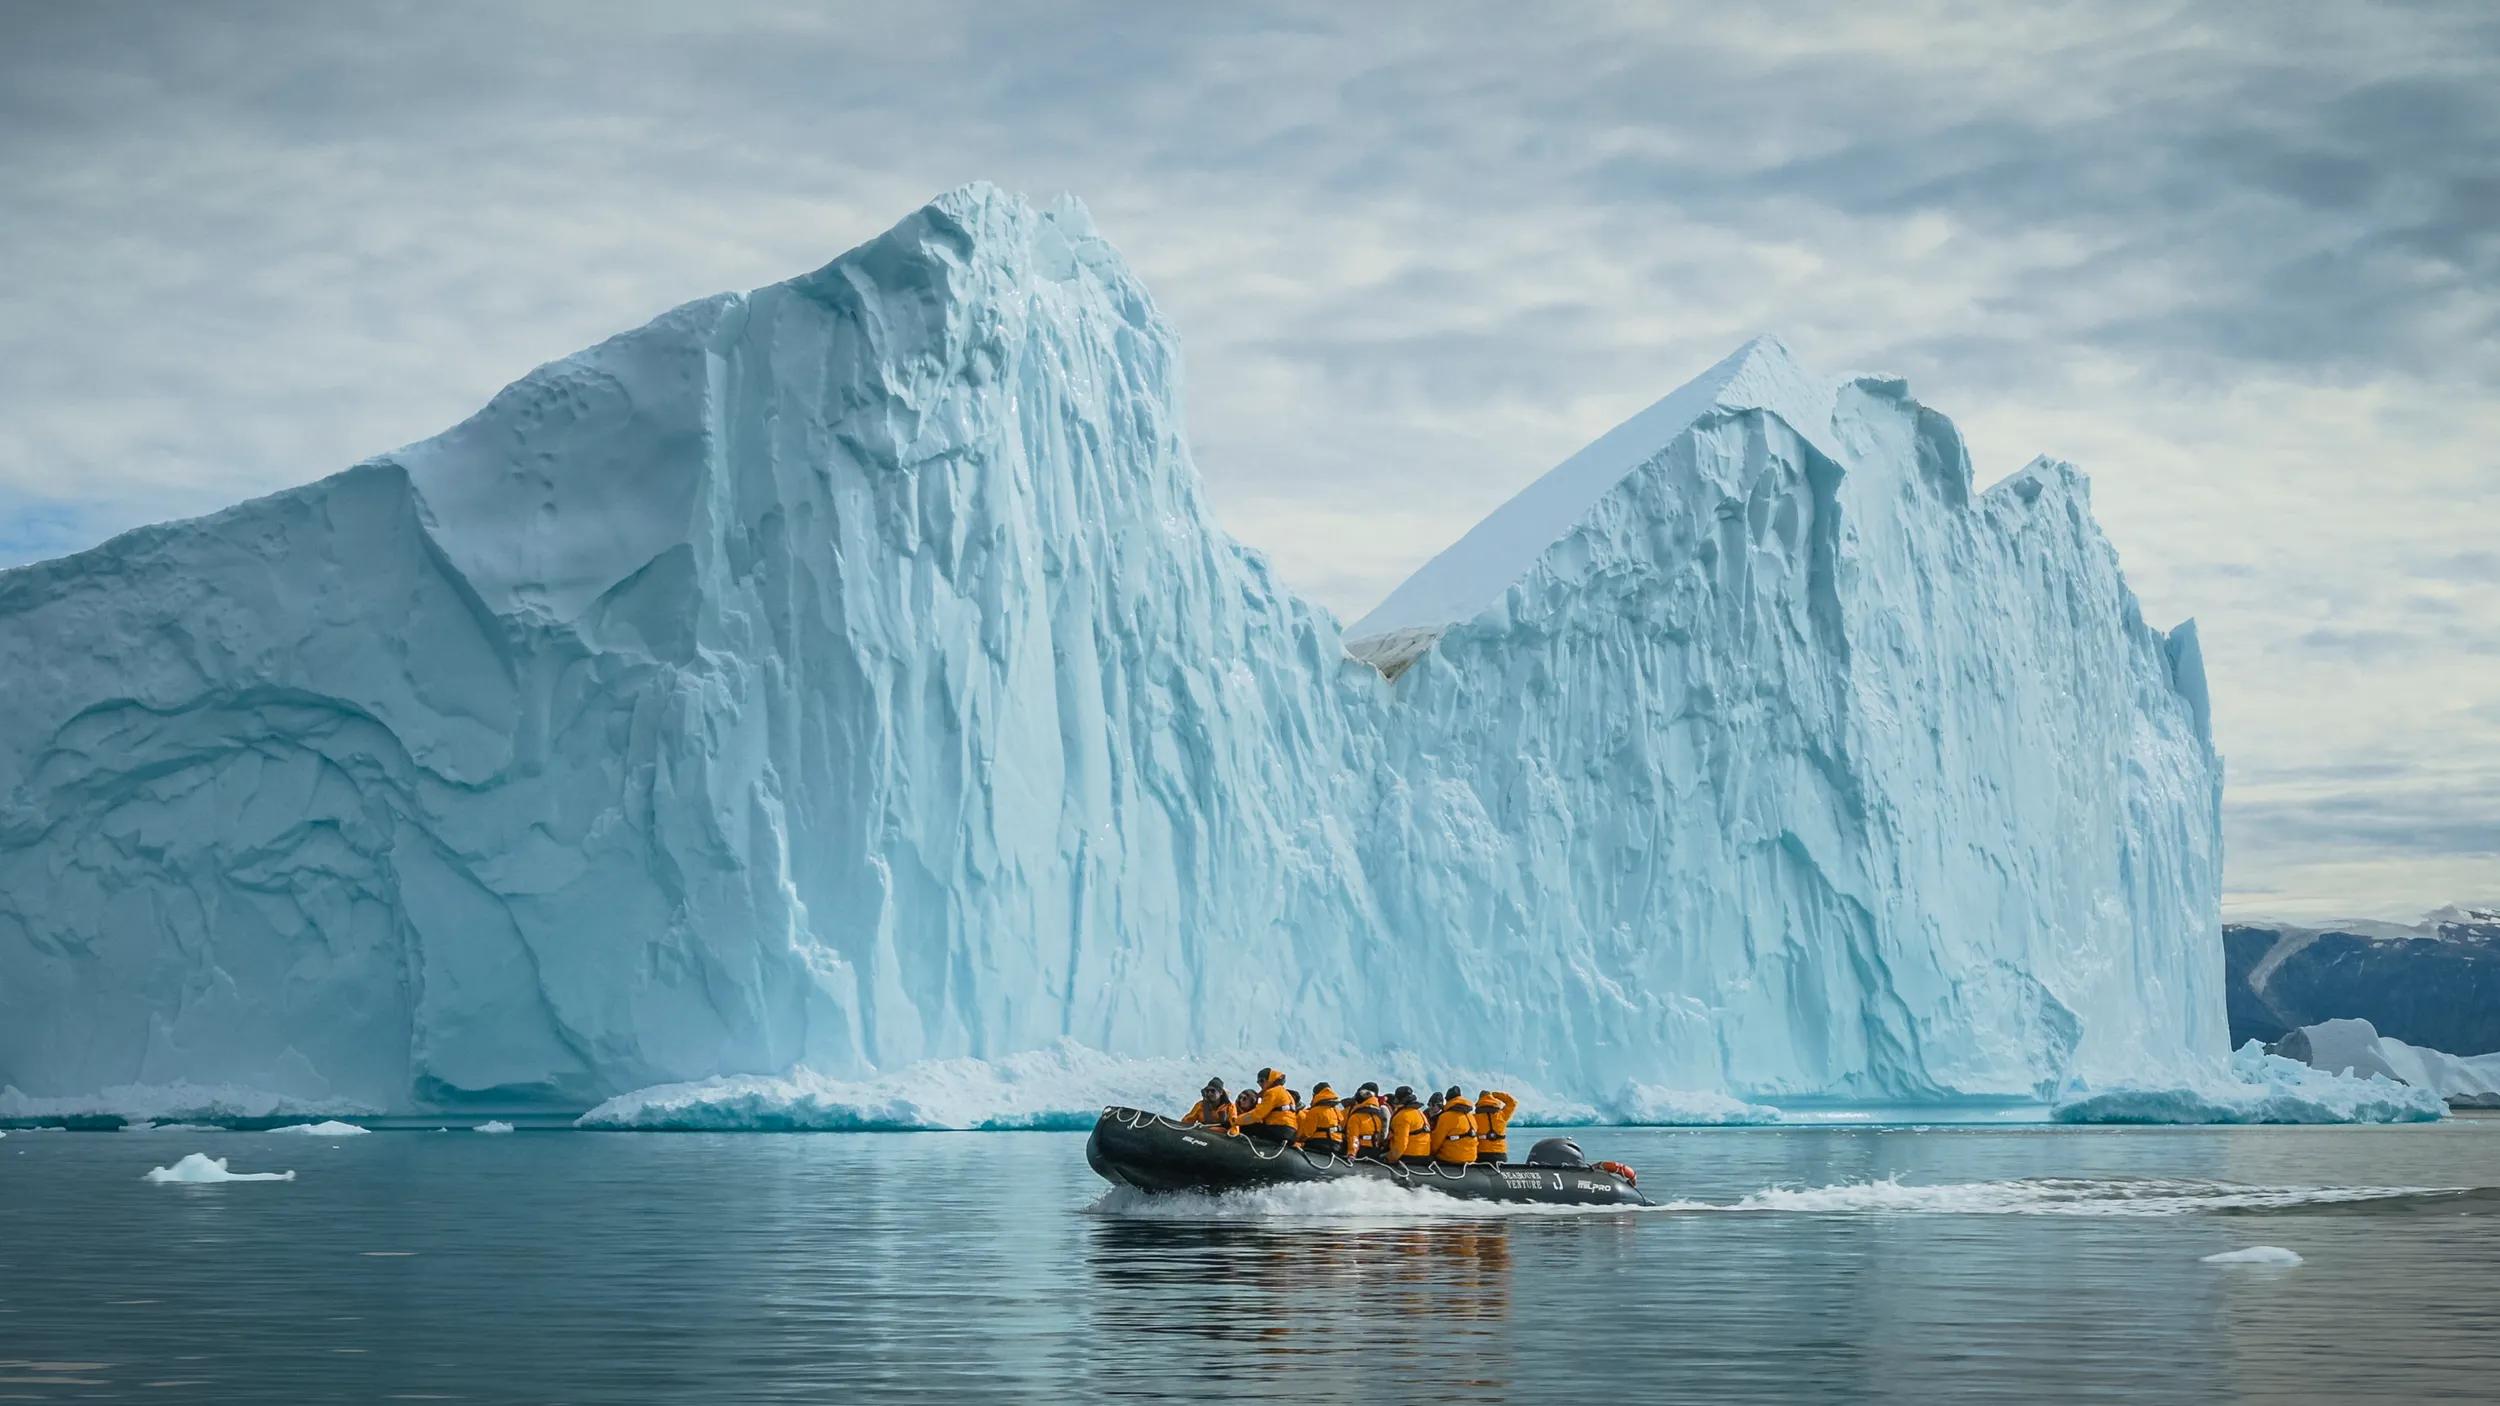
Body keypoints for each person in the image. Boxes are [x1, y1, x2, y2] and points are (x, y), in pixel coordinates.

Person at [1243, 1067, 1298, 1144]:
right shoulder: (1285, 1093)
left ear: (1270, 1079)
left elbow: (1257, 1114)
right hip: (1291, 1132)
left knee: (1248, 1126)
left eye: (1262, 1081)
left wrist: (1237, 1121)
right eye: (1258, 1082)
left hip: (1279, 1129)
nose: (1260, 1084)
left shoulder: (1272, 1092)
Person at [1431, 1087, 1478, 1166]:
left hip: (1452, 1158)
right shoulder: (1471, 1116)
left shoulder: (1446, 1117)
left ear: (1448, 1100)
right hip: (1472, 1158)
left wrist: (1429, 1153)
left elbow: (1436, 1142)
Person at [1298, 1083, 1347, 1155]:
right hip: (1337, 1144)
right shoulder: (1336, 1111)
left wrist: (1297, 1140)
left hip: (1320, 1143)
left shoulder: (1315, 1111)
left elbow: (1307, 1133)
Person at [1385, 1086, 1430, 1165]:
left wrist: (1389, 1158)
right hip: (1424, 1154)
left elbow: (1401, 1144)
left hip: (1410, 1155)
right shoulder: (1419, 1113)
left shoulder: (1403, 1116)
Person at [1343, 1083, 1388, 1159]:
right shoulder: (1378, 1117)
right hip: (1374, 1151)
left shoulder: (1356, 1116)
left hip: (1359, 1151)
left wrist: (1351, 1153)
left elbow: (1353, 1137)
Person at [1472, 1088, 1517, 1163]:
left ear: (1479, 1102)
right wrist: (1496, 1095)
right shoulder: (1502, 1115)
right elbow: (1512, 1103)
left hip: (1481, 1155)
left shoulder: (1473, 1118)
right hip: (1500, 1155)